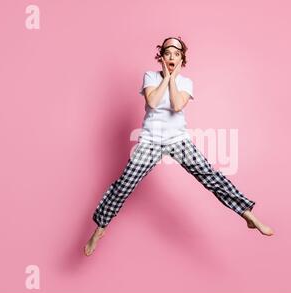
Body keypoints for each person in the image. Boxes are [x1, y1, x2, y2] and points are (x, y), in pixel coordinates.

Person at [84, 37, 274, 256]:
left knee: (210, 177)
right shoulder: (150, 76)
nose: (171, 56)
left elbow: (176, 105)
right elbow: (153, 102)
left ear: (182, 58)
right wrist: (165, 76)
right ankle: (99, 230)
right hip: (150, 141)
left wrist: (173, 78)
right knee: (124, 184)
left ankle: (249, 216)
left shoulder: (186, 83)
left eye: (176, 53)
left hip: (178, 140)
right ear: (161, 56)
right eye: (167, 52)